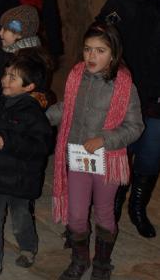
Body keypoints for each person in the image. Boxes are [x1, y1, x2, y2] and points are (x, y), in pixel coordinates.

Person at [47, 23, 144, 280]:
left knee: (103, 212)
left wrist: (104, 139)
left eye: (100, 50)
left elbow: (135, 126)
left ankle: (102, 263)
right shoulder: (76, 77)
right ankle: (80, 260)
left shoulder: (125, 86)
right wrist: (39, 115)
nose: (91, 56)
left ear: (113, 54)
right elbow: (66, 108)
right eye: (88, 49)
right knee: (76, 215)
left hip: (107, 161)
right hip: (78, 158)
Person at [96, 0, 160, 238]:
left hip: (158, 95)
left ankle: (137, 207)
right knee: (123, 151)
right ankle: (115, 205)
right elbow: (101, 33)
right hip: (127, 90)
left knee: (151, 153)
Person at [0, 52, 52, 276]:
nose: (5, 80)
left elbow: (43, 145)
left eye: (13, 78)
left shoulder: (33, 113)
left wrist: (10, 142)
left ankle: (28, 247)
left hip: (20, 180)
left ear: (29, 87)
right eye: (6, 74)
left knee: (20, 219)